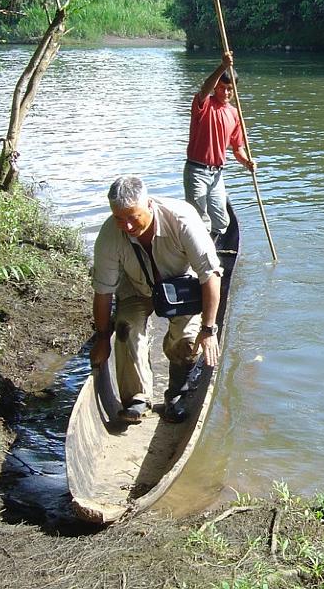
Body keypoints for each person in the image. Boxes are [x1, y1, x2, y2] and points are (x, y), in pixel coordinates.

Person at [91, 175, 223, 424]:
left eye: (133, 217)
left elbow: (210, 275)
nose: (127, 226)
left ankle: (176, 395)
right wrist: (101, 338)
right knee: (125, 329)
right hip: (136, 285)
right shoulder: (110, 235)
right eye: (119, 218)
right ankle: (137, 399)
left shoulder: (181, 219)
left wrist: (208, 329)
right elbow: (103, 291)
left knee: (185, 342)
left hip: (181, 286)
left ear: (149, 204)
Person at [183, 51, 255, 241]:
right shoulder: (204, 104)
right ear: (216, 87)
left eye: (230, 89)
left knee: (222, 221)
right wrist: (222, 66)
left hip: (217, 174)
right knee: (199, 221)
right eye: (222, 88)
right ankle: (199, 255)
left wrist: (248, 162)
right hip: (196, 171)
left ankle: (210, 248)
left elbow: (238, 149)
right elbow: (205, 88)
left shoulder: (234, 114)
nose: (226, 93)